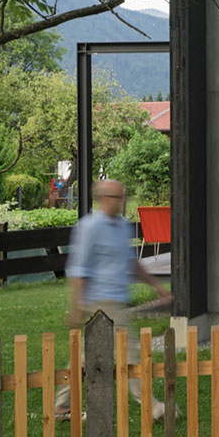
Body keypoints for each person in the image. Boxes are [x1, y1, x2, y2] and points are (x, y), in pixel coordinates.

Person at [54, 179, 174, 420]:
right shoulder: (89, 227)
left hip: (116, 300)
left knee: (85, 357)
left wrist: (156, 285)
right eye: (114, 197)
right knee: (130, 354)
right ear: (101, 198)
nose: (119, 202)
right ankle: (153, 407)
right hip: (100, 301)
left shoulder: (121, 226)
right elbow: (78, 269)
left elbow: (131, 262)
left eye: (121, 197)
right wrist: (76, 307)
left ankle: (61, 404)